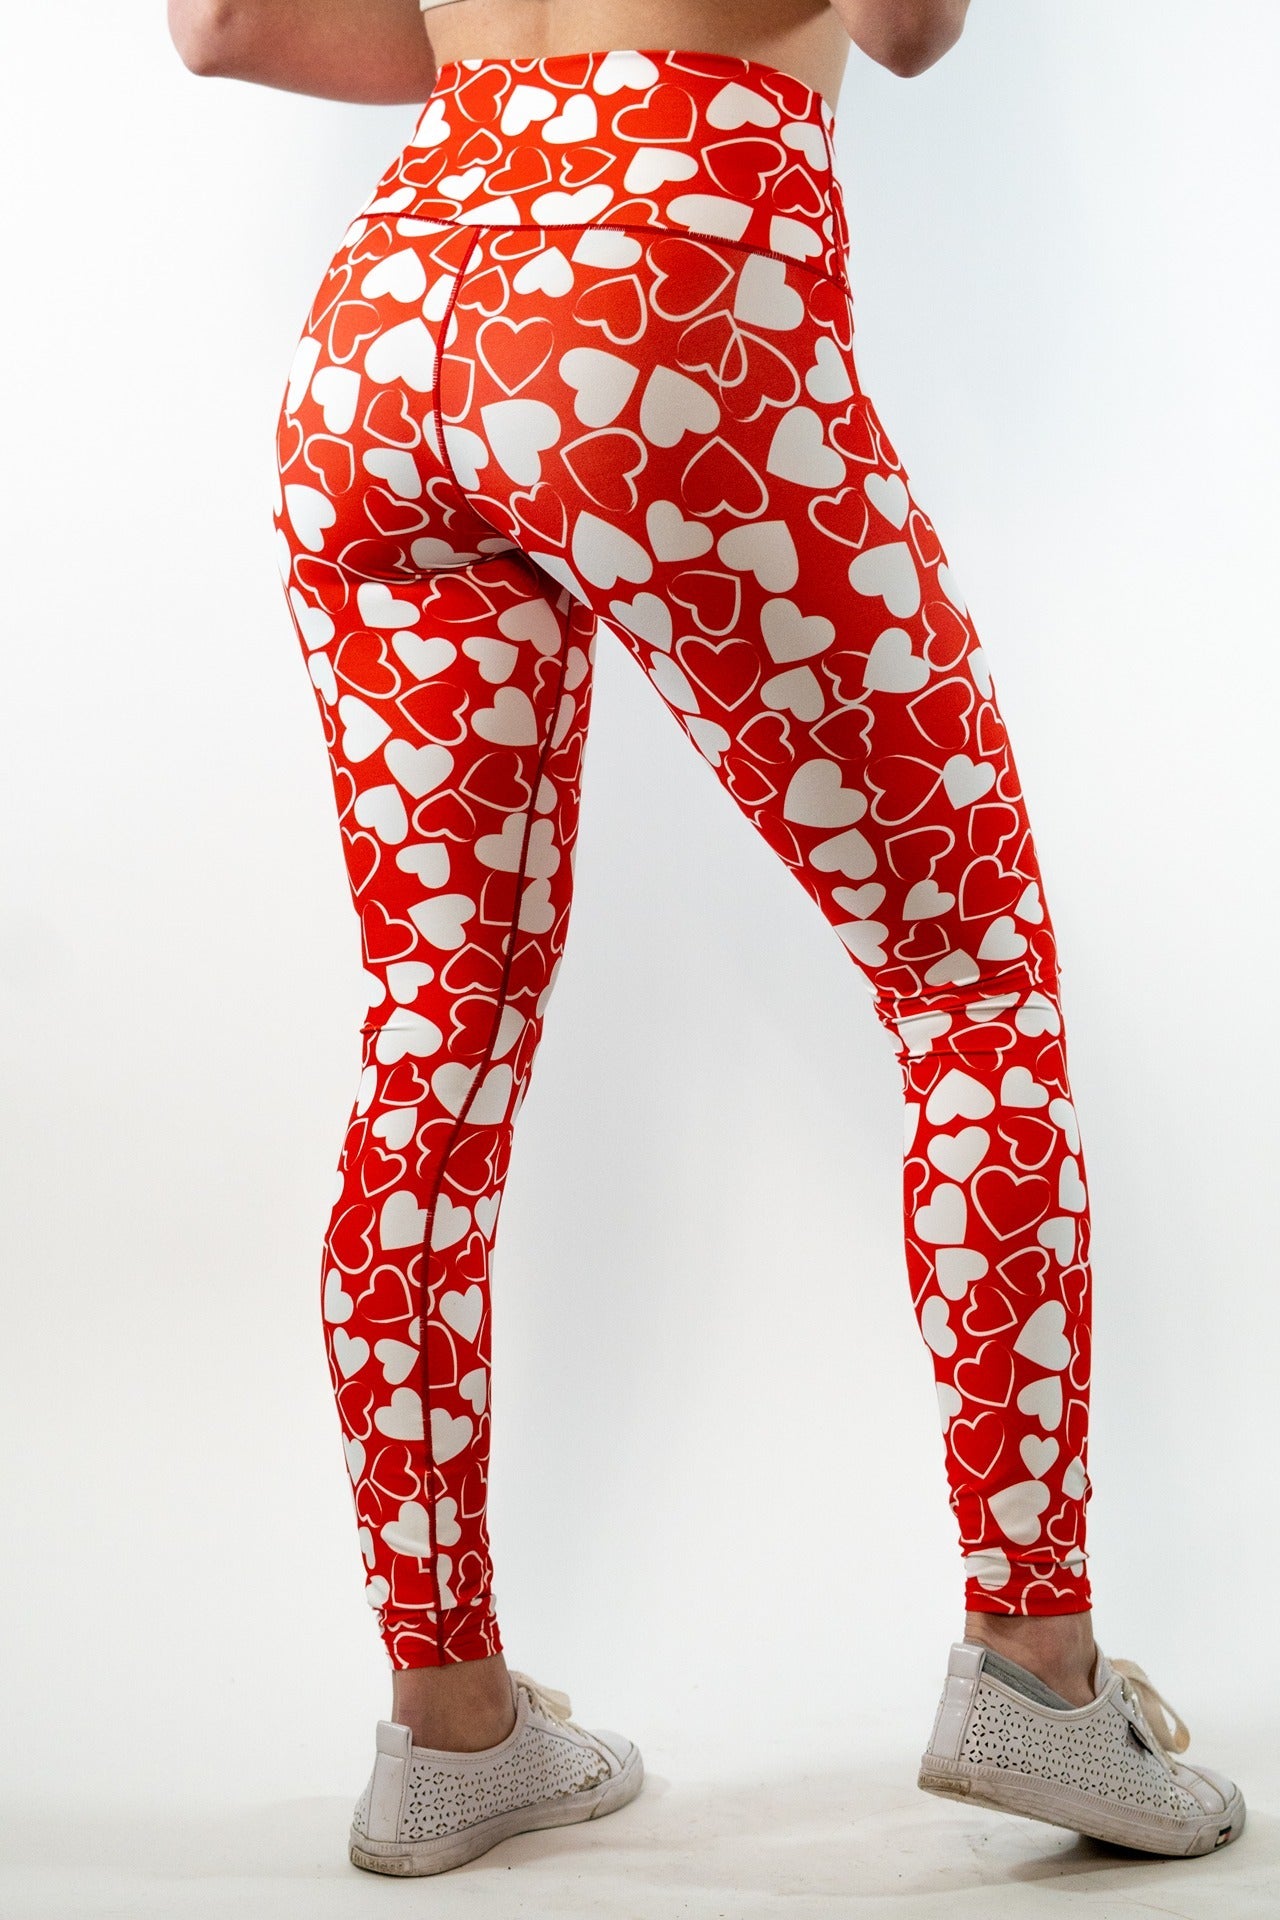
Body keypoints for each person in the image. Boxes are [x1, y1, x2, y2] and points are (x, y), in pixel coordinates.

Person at [168, 0, 1244, 1877]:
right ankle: (1042, 1678)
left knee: (433, 1033)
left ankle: (447, 1729)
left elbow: (226, 22)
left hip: (390, 325)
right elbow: (906, 26)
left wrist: (526, 62)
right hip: (659, 288)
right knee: (970, 988)